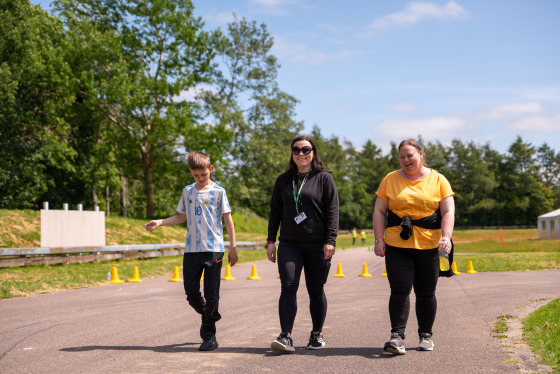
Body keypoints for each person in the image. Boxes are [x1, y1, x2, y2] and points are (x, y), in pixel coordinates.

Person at [144, 151, 238, 352]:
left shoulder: (219, 192)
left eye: (203, 174)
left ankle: (209, 335)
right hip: (192, 250)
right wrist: (160, 222)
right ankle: (208, 314)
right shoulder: (188, 192)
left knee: (212, 294)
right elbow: (181, 217)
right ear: (191, 172)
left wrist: (233, 247)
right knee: (191, 293)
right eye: (196, 175)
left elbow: (228, 220)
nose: (200, 179)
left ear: (210, 169)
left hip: (214, 250)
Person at [372, 139, 455, 355]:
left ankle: (425, 335)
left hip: (430, 245)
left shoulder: (439, 180)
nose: (406, 160)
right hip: (397, 244)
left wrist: (447, 237)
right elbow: (380, 211)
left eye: (410, 155)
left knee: (426, 292)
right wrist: (379, 240)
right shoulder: (390, 179)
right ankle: (397, 337)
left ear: (420, 154)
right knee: (399, 291)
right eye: (402, 157)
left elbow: (447, 212)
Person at [267, 135, 339, 352]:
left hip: (317, 244)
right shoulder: (283, 180)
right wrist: (271, 241)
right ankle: (285, 336)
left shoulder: (324, 178)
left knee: (316, 289)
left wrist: (330, 240)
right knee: (288, 286)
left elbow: (333, 211)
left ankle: (316, 334)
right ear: (292, 153)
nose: (301, 153)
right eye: (296, 150)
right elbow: (275, 212)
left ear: (313, 152)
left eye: (305, 149)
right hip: (290, 243)